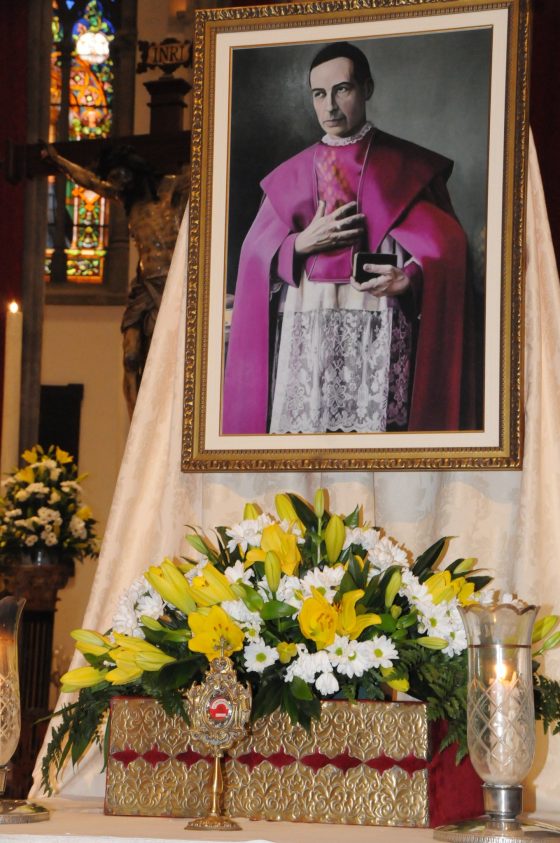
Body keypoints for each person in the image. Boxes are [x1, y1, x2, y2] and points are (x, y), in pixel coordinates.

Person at [222, 41, 475, 435]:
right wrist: (301, 244)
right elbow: (254, 256)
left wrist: (410, 276)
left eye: (343, 89)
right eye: (319, 94)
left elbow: (448, 249)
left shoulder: (406, 166)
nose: (330, 106)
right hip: (308, 327)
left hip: (379, 320)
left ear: (367, 88)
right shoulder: (291, 172)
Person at [41, 142, 189, 418]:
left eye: (121, 176)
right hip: (144, 286)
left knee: (170, 358)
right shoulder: (127, 200)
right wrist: (58, 160)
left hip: (174, 286)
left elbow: (202, 174)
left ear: (134, 169)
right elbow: (89, 181)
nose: (118, 184)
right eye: (113, 180)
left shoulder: (173, 188)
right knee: (130, 357)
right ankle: (136, 421)